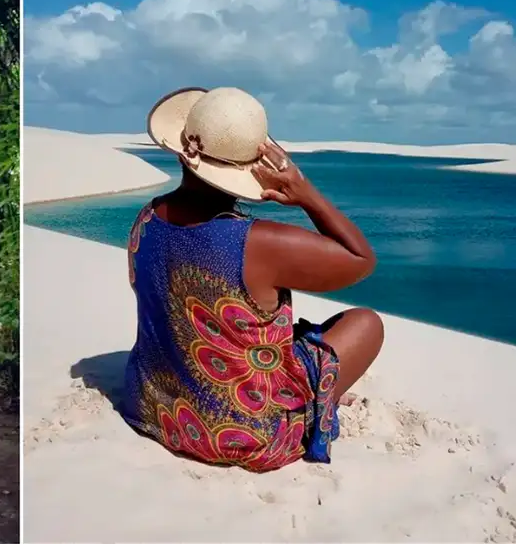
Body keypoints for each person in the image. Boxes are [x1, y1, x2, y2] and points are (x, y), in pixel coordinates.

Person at [120, 86, 384, 472]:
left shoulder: (147, 217)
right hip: (245, 434)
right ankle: (318, 400)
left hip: (153, 408)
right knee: (366, 323)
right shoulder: (256, 242)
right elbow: (360, 260)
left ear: (182, 150)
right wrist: (306, 194)